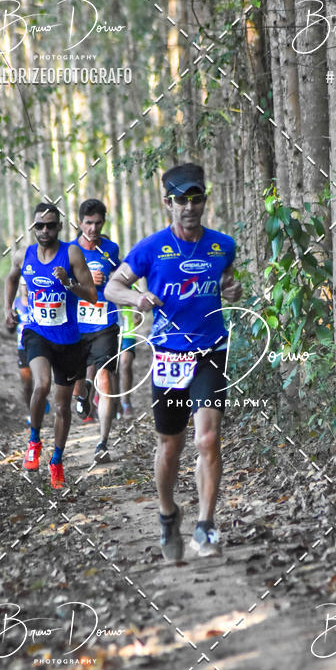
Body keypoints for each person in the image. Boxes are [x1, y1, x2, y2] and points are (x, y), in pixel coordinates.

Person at [105, 163, 242, 561]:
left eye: (196, 198)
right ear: (168, 202)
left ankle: (205, 525)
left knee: (207, 439)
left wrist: (231, 288)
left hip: (210, 351)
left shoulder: (222, 245)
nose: (189, 207)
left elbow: (227, 280)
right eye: (181, 199)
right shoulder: (151, 248)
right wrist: (137, 298)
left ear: (204, 200)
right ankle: (168, 514)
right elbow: (113, 285)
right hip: (169, 356)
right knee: (171, 446)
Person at [4, 203, 97, 488]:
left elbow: (92, 294)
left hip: (68, 339)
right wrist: (7, 308)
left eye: (50, 225)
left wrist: (69, 283)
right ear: (33, 228)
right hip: (37, 332)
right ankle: (34, 441)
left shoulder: (72, 253)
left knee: (62, 407)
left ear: (59, 227)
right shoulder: (24, 255)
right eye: (39, 226)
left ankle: (56, 460)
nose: (45, 230)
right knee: (41, 385)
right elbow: (11, 277)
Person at [72, 198, 121, 462]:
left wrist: (113, 280)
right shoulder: (69, 251)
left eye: (98, 223)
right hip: (77, 326)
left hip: (105, 323)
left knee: (105, 381)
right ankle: (82, 394)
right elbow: (60, 285)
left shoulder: (110, 249)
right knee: (76, 384)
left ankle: (102, 443)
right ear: (80, 222)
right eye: (88, 223)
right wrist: (85, 280)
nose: (93, 229)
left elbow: (121, 277)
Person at [10, 282, 50, 425]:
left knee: (41, 381)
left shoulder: (40, 301)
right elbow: (10, 329)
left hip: (39, 346)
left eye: (28, 285)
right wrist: (11, 321)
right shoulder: (15, 304)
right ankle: (31, 413)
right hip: (22, 347)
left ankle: (41, 401)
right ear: (20, 287)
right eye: (23, 286)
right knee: (27, 385)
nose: (26, 289)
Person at [118, 306, 138, 419]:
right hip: (107, 327)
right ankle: (115, 404)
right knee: (112, 368)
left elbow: (138, 299)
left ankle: (126, 402)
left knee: (125, 364)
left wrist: (138, 310)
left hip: (127, 330)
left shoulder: (131, 288)